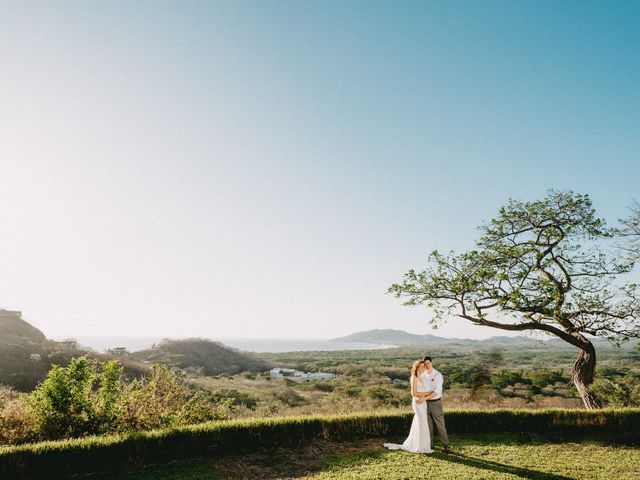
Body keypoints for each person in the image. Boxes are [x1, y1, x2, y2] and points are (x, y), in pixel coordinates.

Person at [383, 360, 434, 453]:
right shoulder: (414, 377)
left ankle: (423, 445)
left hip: (423, 402)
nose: (422, 368)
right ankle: (418, 446)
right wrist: (427, 393)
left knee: (422, 422)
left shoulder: (422, 376)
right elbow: (414, 393)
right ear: (416, 367)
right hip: (418, 402)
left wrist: (426, 395)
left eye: (423, 366)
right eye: (420, 367)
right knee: (420, 421)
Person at [421, 355, 451, 453]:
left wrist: (424, 397)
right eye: (425, 364)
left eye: (428, 363)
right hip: (425, 404)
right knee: (428, 425)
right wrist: (423, 398)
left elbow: (436, 391)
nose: (427, 365)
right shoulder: (422, 375)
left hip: (436, 403)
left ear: (431, 363)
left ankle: (446, 446)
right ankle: (430, 445)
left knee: (440, 425)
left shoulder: (438, 375)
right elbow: (422, 389)